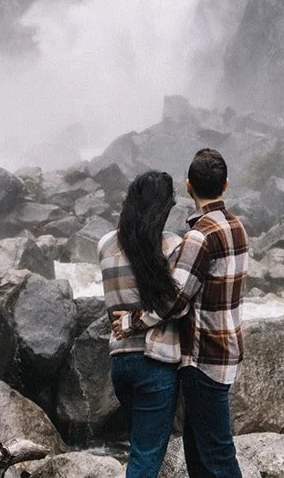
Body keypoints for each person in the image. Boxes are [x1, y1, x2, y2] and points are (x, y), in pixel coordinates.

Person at [116, 148, 249, 478]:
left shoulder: (199, 236)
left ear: (189, 187)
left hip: (203, 358)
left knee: (216, 454)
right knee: (199, 451)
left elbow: (173, 302)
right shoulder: (238, 228)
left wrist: (129, 322)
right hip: (228, 351)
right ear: (226, 185)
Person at [99, 170, 185, 478]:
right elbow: (174, 307)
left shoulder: (104, 244)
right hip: (155, 363)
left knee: (139, 449)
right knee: (145, 461)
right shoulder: (173, 247)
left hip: (120, 361)